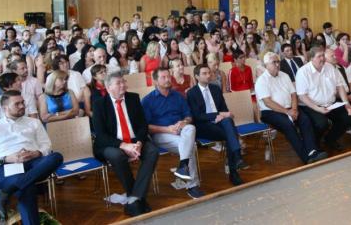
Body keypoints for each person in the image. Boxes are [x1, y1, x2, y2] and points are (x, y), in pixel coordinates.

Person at [0, 90, 64, 225]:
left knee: (56, 157)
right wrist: (7, 158)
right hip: (6, 166)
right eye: (17, 104)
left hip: (34, 162)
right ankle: (13, 189)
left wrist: (37, 153)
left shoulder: (34, 122)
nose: (22, 106)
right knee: (27, 186)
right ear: (5, 108)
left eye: (23, 102)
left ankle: (5, 193)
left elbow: (46, 145)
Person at [92, 72, 159, 217]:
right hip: (112, 144)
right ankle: (136, 196)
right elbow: (101, 135)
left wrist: (139, 143)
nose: (123, 85)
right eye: (118, 83)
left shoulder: (133, 98)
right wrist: (123, 145)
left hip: (135, 140)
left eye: (124, 82)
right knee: (116, 156)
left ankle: (134, 198)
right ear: (108, 87)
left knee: (152, 151)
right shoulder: (99, 104)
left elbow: (142, 125)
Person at [142, 67, 204, 199]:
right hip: (161, 134)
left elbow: (189, 116)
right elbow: (146, 127)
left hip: (181, 130)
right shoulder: (148, 100)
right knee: (190, 146)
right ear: (155, 81)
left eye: (168, 77)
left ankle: (183, 166)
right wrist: (167, 129)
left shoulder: (177, 95)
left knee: (191, 128)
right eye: (163, 77)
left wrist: (183, 122)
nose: (167, 79)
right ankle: (192, 185)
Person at [256, 52, 328, 164]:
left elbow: (293, 94)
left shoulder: (284, 75)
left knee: (305, 120)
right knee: (288, 125)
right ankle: (306, 157)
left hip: (290, 108)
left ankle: (313, 151)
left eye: (278, 61)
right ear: (266, 65)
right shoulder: (261, 80)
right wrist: (287, 112)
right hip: (270, 112)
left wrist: (294, 109)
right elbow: (268, 102)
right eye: (273, 62)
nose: (277, 64)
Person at [186, 64, 245, 186]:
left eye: (209, 73)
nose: (208, 75)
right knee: (231, 133)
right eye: (204, 73)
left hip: (221, 124)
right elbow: (197, 116)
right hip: (204, 126)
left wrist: (222, 115)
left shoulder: (215, 89)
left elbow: (224, 109)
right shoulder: (192, 93)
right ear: (197, 76)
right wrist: (217, 115)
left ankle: (236, 164)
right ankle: (236, 163)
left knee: (228, 122)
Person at [295, 46, 351, 151]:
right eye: (319, 56)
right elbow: (302, 96)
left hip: (331, 103)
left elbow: (339, 86)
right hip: (311, 106)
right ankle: (314, 144)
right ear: (311, 58)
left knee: (347, 116)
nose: (322, 58)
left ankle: (330, 139)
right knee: (322, 123)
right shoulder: (303, 72)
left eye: (323, 55)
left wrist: (347, 103)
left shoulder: (330, 67)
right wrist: (318, 109)